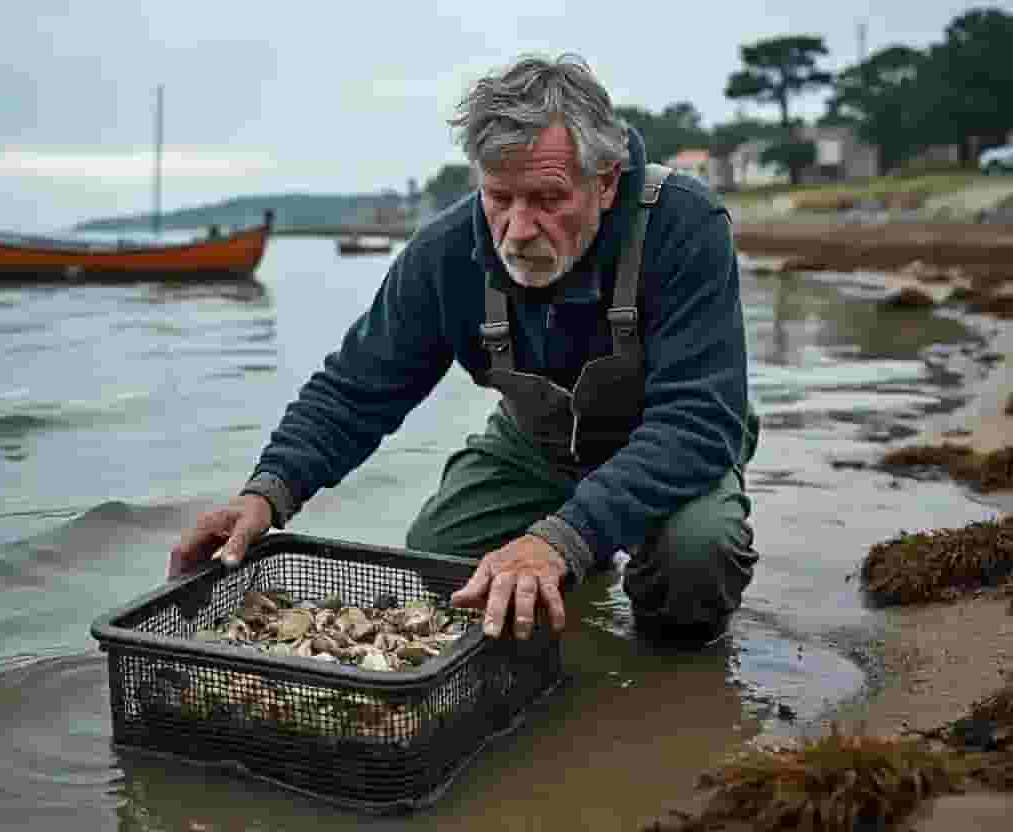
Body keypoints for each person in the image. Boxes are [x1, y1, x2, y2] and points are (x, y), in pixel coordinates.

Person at [170, 53, 759, 646]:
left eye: (547, 199)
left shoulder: (685, 223)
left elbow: (698, 422)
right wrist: (265, 494)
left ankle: (670, 672)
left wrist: (562, 538)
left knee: (695, 559)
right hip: (538, 448)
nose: (519, 228)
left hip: (672, 441)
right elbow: (355, 390)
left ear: (604, 182)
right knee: (440, 560)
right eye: (500, 197)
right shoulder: (444, 256)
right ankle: (581, 571)